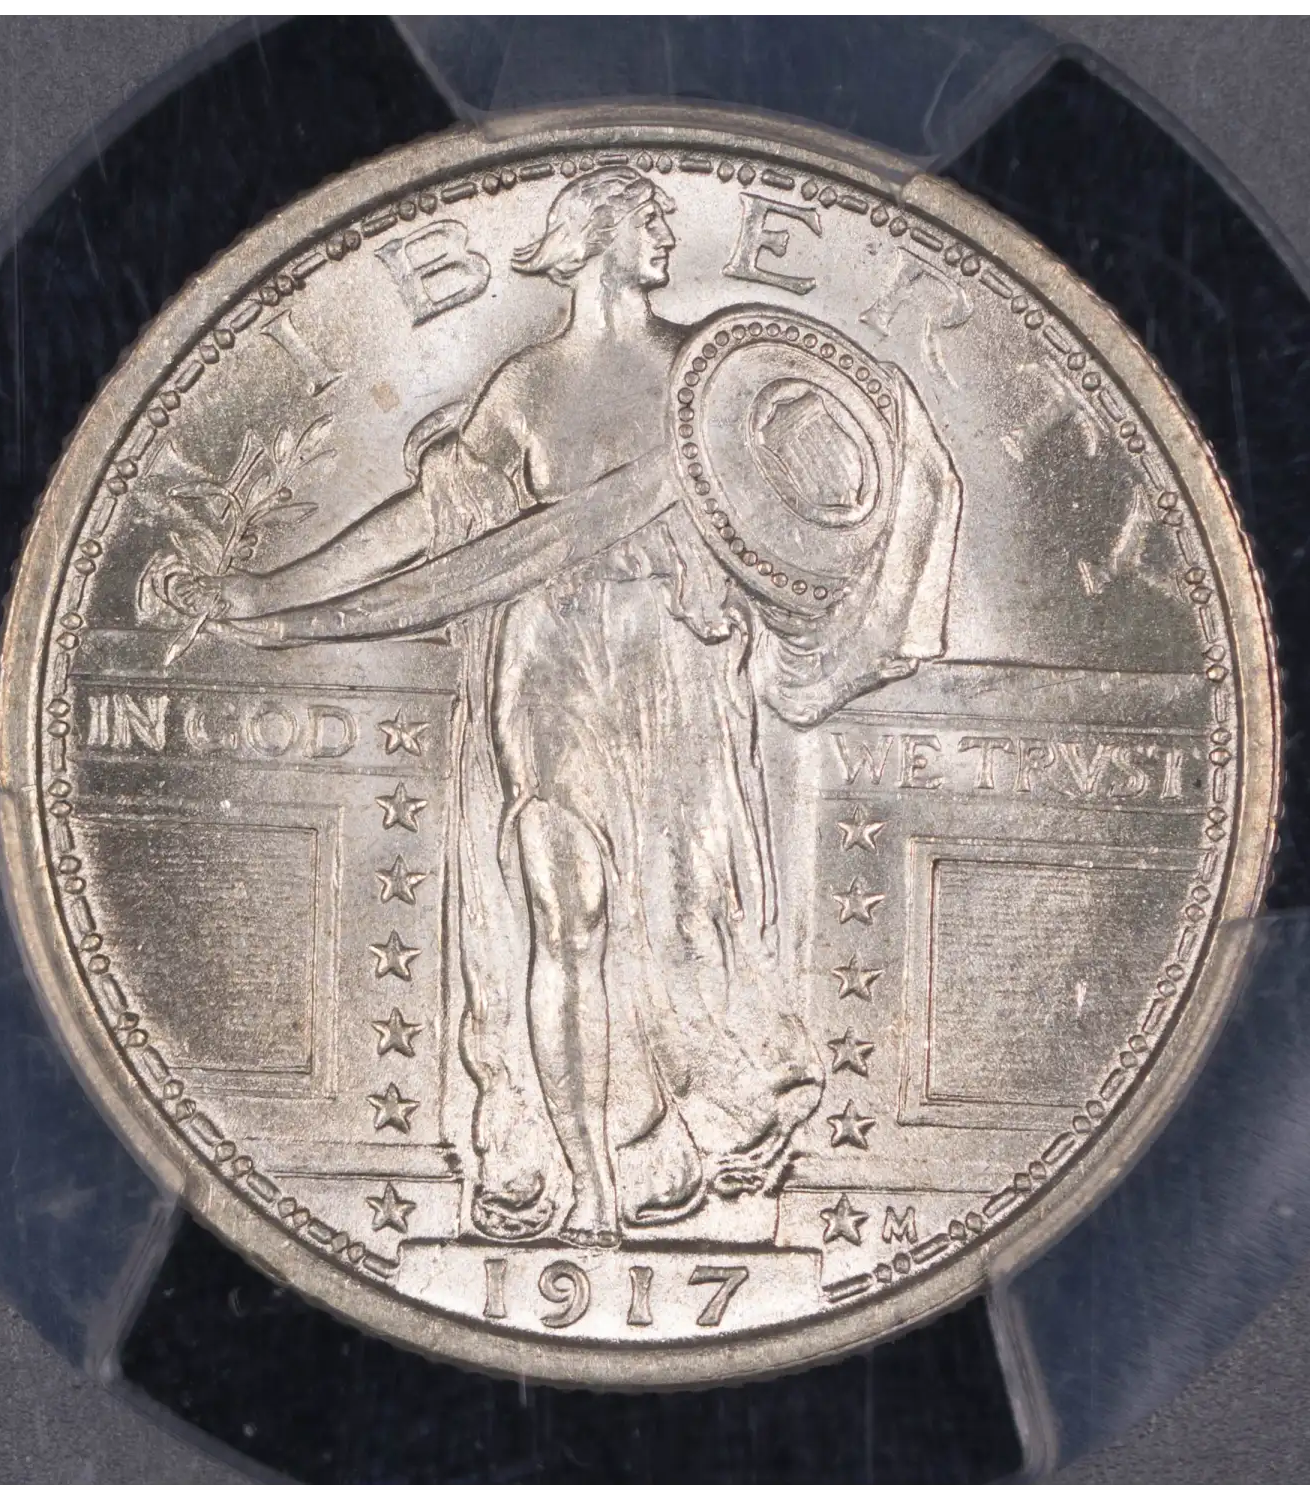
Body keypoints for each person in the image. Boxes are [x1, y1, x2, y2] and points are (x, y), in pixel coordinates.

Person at [157, 165, 961, 1246]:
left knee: (682, 920)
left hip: (676, 674)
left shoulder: (711, 371)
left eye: (663, 217)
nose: (666, 228)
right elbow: (427, 527)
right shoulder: (527, 388)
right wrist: (273, 592)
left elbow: (823, 486)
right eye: (646, 216)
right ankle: (584, 1180)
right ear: (588, 239)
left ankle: (658, 1149)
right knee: (563, 909)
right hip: (547, 666)